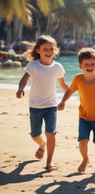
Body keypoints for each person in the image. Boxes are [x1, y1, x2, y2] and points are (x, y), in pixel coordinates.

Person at [16, 35, 68, 171]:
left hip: (51, 106)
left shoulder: (58, 67)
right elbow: (24, 79)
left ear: (55, 50)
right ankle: (42, 145)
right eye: (46, 49)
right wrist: (20, 89)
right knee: (35, 135)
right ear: (38, 50)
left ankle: (49, 162)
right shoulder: (33, 65)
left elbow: (63, 85)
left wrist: (67, 99)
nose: (49, 51)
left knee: (51, 132)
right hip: (35, 106)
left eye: (52, 49)